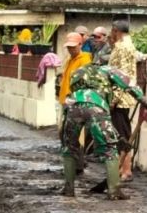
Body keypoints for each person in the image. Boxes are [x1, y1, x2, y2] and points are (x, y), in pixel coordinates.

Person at [61, 64, 146, 200]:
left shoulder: (78, 71)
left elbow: (73, 91)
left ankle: (68, 189)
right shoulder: (108, 69)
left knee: (69, 147)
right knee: (109, 149)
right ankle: (114, 191)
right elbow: (130, 86)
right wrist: (143, 101)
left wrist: (117, 135)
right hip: (96, 105)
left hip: (73, 106)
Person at [108, 20, 137, 181]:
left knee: (122, 133)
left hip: (121, 98)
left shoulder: (123, 47)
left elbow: (122, 74)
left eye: (112, 31)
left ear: (116, 30)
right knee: (122, 131)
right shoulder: (126, 45)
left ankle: (126, 169)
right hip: (123, 96)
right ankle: (124, 168)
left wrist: (114, 99)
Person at [58, 32, 92, 105]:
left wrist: (73, 99)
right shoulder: (69, 60)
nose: (70, 49)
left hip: (74, 101)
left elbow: (84, 82)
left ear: (80, 45)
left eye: (73, 47)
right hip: (65, 100)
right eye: (69, 47)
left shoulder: (85, 60)